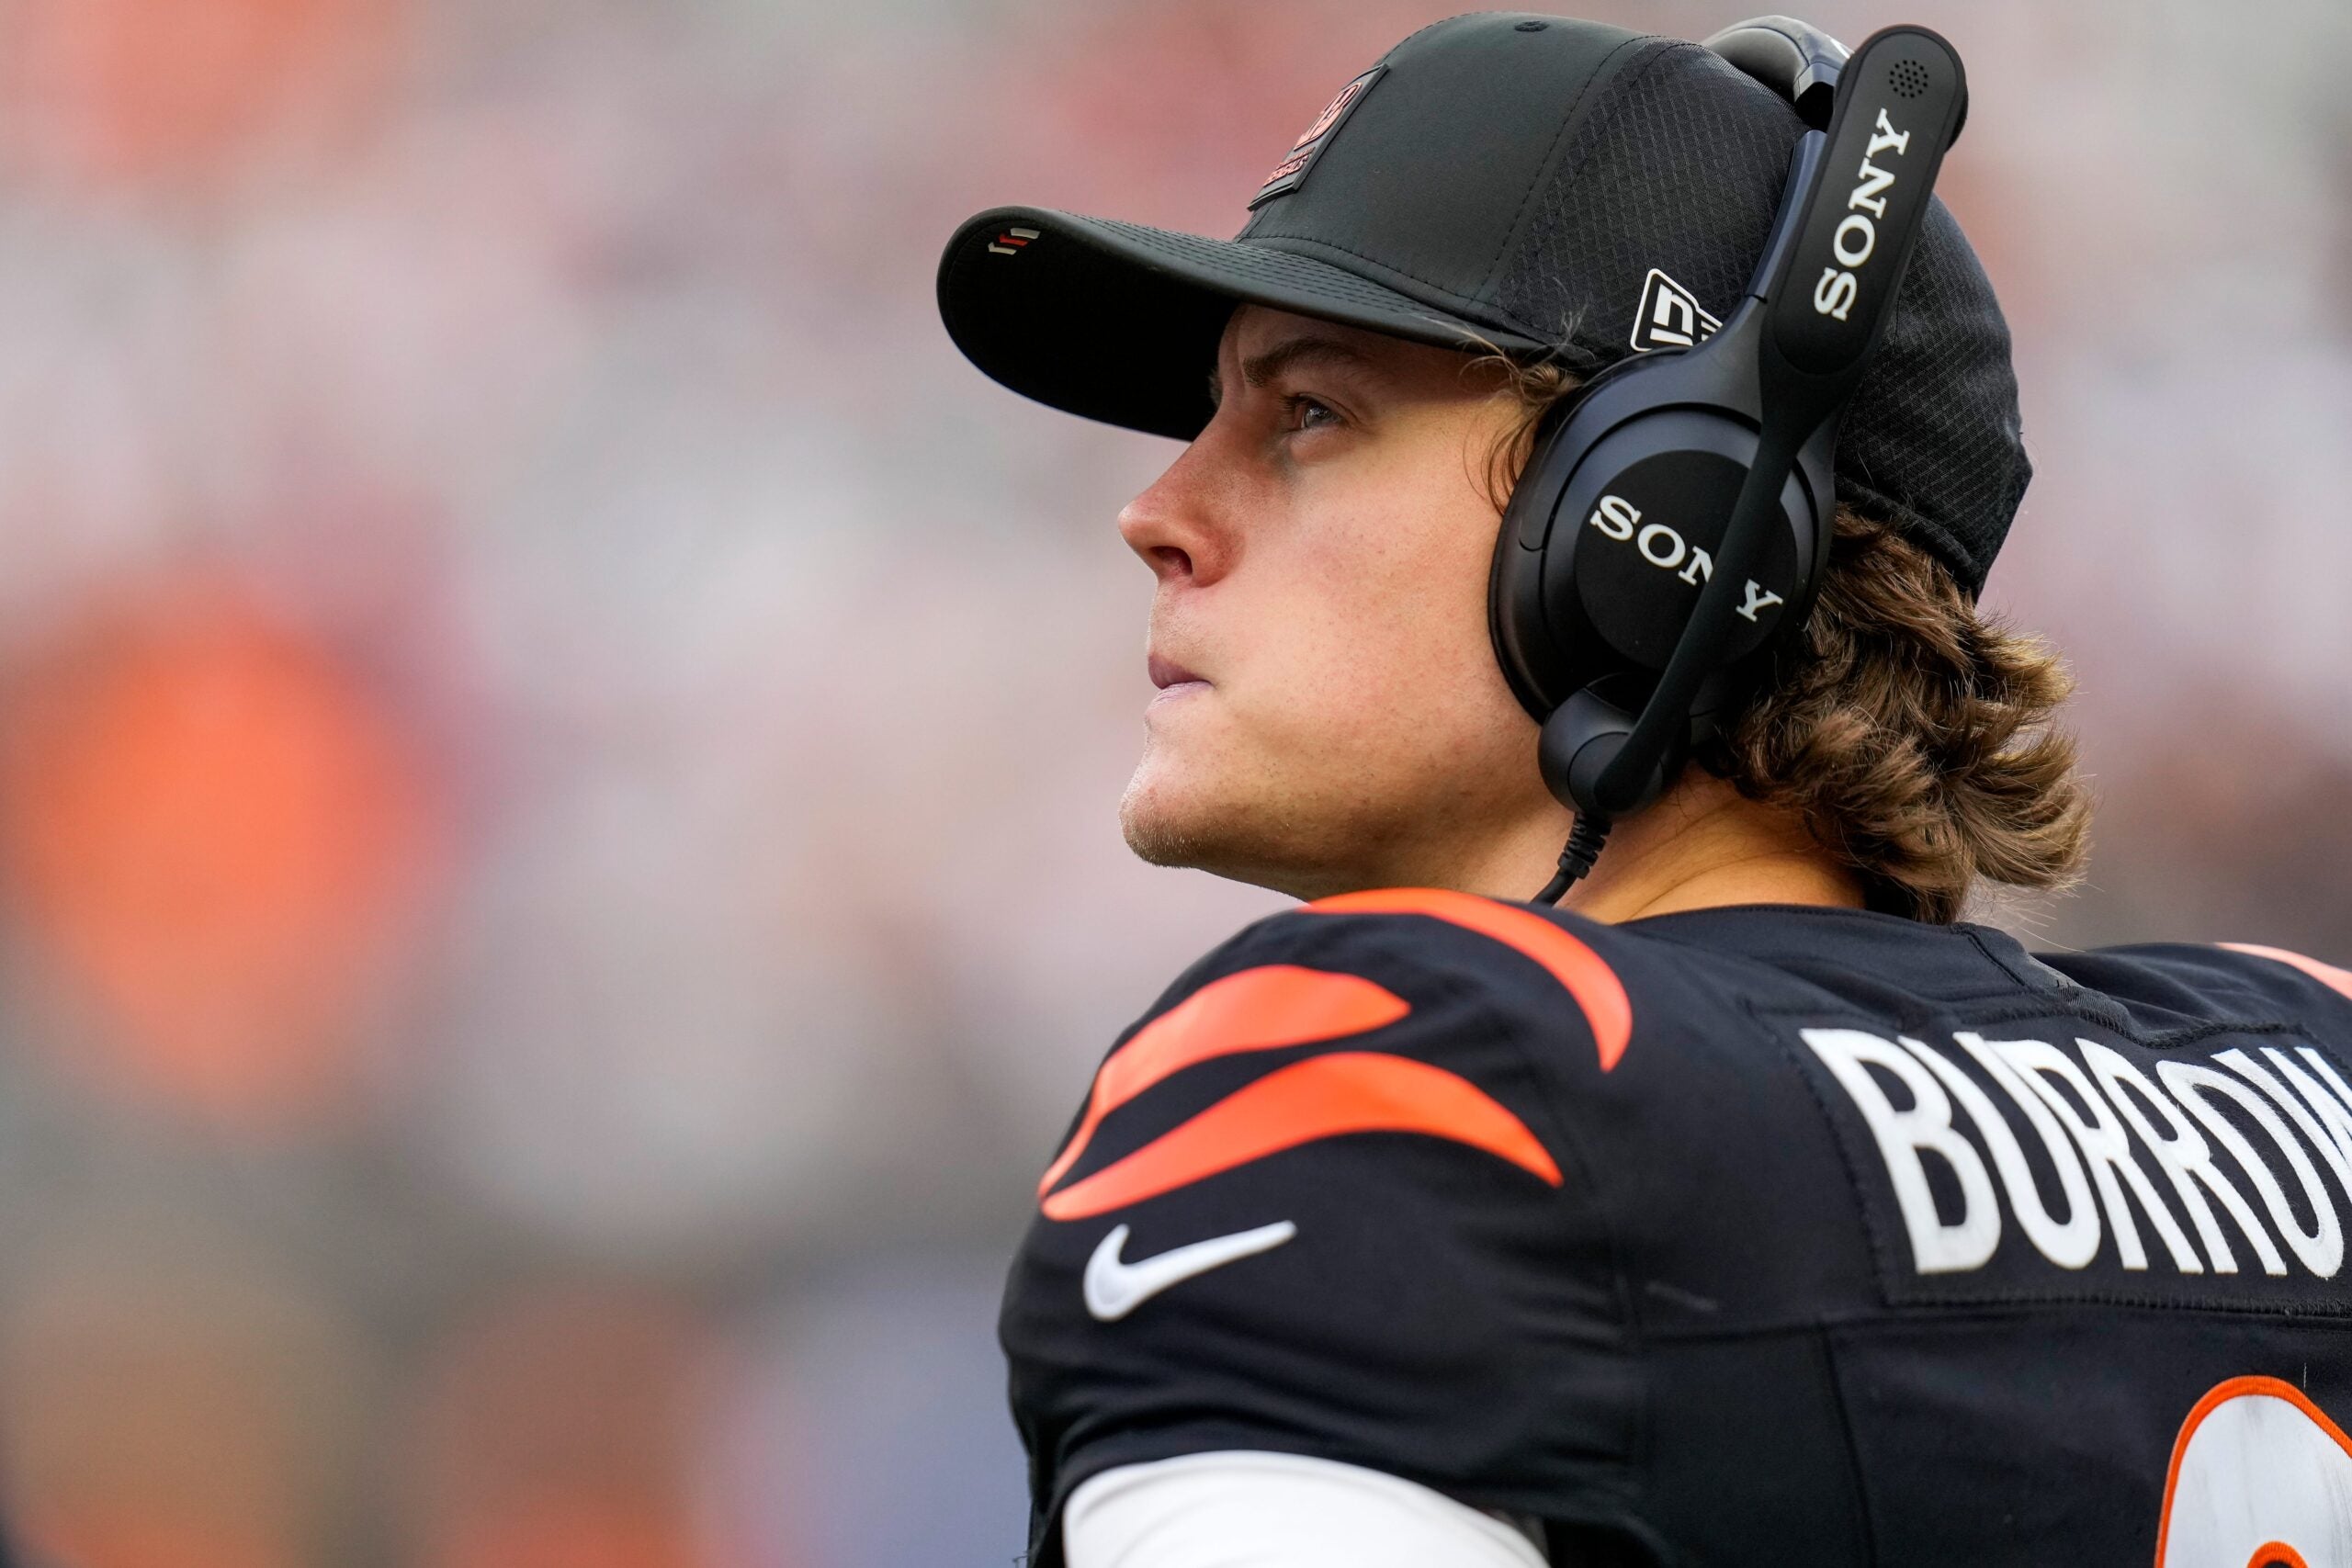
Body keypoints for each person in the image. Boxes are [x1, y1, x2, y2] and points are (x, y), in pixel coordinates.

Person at [935, 14, 2352, 1567]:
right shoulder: (2311, 1068)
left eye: (1310, 412)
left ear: (1667, 520)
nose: (1157, 510)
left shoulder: (1400, 1094)